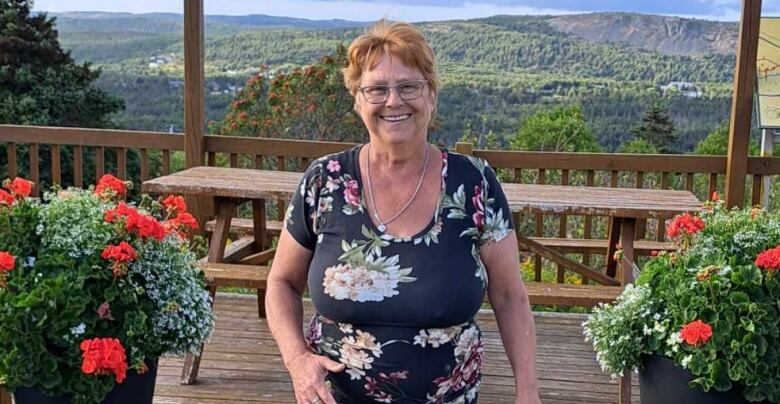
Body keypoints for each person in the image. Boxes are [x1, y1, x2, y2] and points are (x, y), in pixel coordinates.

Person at [266, 19, 541, 404]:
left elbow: (510, 295)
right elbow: (280, 283)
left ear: (431, 95)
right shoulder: (324, 181)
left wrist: (528, 392)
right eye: (377, 89)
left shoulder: (474, 183)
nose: (393, 101)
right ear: (358, 100)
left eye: (408, 86)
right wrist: (297, 360)